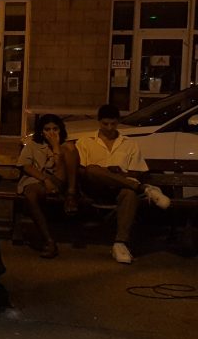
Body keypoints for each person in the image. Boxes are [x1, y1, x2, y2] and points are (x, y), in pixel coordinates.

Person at [66, 103, 171, 264]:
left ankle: (120, 243)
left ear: (118, 122)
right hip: (94, 188)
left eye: (113, 124)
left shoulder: (129, 144)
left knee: (129, 193)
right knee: (93, 169)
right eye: (105, 124)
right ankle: (145, 189)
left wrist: (120, 173)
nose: (109, 128)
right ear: (99, 122)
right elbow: (81, 171)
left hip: (121, 188)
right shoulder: (85, 142)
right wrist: (105, 172)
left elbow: (138, 171)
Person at [17, 114, 76, 258]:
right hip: (37, 180)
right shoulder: (33, 145)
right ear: (41, 131)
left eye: (55, 129)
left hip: (60, 182)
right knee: (30, 195)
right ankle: (48, 240)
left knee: (68, 149)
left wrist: (56, 146)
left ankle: (71, 196)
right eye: (47, 129)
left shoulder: (66, 147)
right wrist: (44, 179)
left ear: (60, 130)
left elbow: (60, 171)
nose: (51, 132)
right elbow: (25, 165)